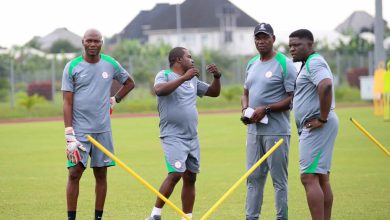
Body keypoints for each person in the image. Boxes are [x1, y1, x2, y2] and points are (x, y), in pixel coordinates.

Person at [61, 28, 135, 220]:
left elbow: (129, 83)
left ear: (101, 42)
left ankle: (98, 218)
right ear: (83, 42)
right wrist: (69, 133)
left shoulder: (110, 64)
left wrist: (115, 99)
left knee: (101, 174)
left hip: (103, 130)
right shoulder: (72, 67)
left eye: (96, 41)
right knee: (74, 173)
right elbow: (67, 101)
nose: (92, 44)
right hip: (79, 131)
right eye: (89, 41)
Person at [146, 47, 221, 220]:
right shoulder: (164, 74)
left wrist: (217, 77)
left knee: (190, 177)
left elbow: (214, 93)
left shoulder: (192, 80)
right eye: (189, 57)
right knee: (175, 174)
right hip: (173, 135)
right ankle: (155, 215)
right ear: (178, 60)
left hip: (192, 136)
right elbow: (159, 90)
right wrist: (183, 78)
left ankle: (187, 217)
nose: (192, 60)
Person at [241, 23, 297, 220]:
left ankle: (281, 217)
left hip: (277, 132)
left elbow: (292, 98)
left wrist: (265, 109)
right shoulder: (252, 63)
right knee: (253, 178)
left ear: (273, 39)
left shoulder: (285, 63)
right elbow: (246, 92)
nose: (260, 41)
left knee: (279, 181)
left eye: (265, 37)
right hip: (254, 132)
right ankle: (251, 217)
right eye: (257, 37)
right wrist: (245, 110)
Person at [288, 29, 339, 220]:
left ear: (310, 45)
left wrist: (322, 118)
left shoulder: (315, 62)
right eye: (290, 45)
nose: (292, 49)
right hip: (318, 125)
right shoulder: (308, 63)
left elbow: (325, 85)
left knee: (308, 177)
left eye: (297, 45)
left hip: (318, 126)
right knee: (321, 177)